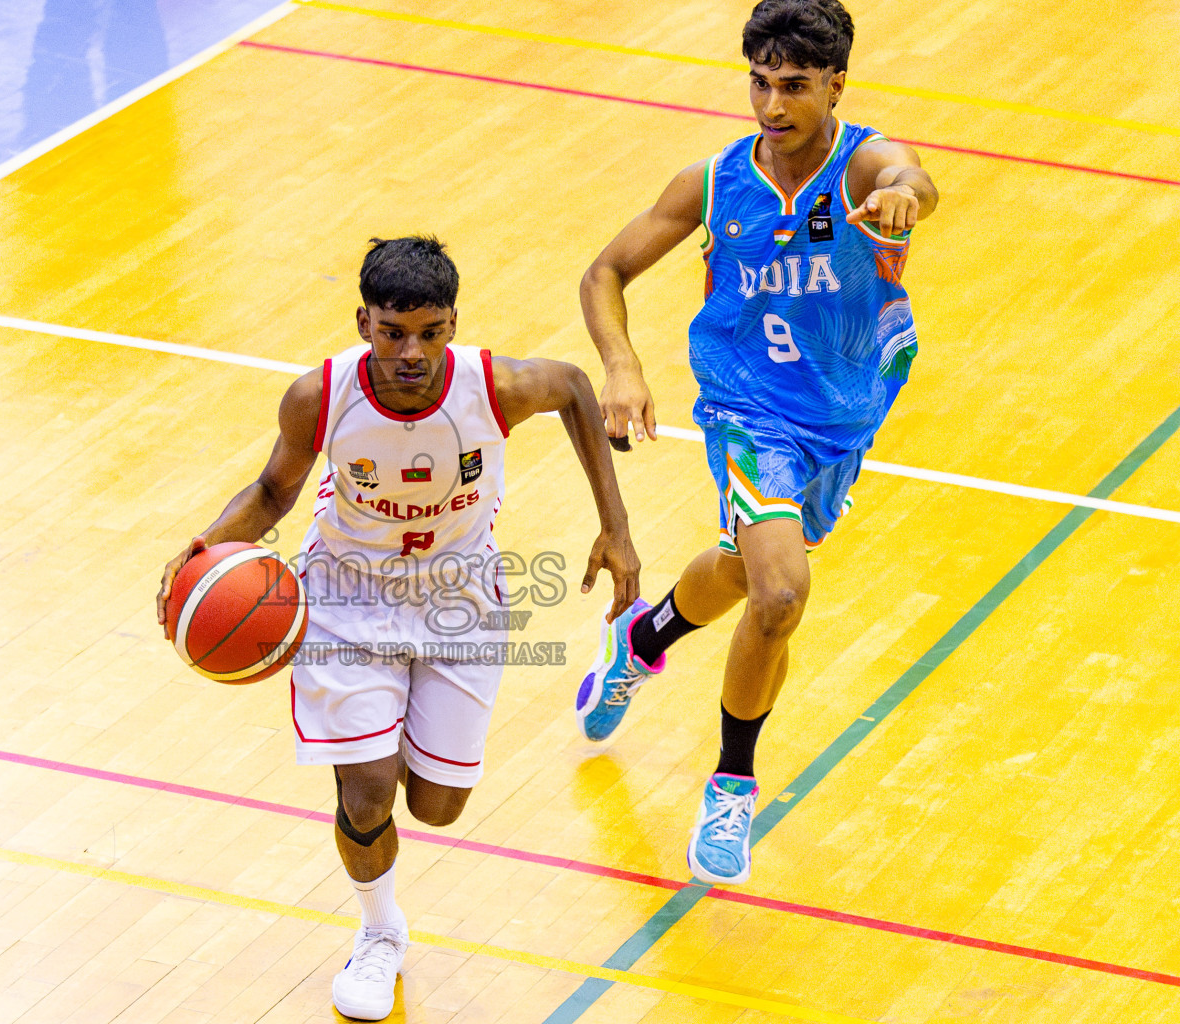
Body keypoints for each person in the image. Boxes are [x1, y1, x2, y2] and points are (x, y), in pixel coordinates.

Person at [158, 236, 639, 1020]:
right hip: (346, 596)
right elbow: (275, 490)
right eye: (392, 332)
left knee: (438, 805)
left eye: (430, 330)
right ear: (363, 323)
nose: (411, 351)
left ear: (453, 324)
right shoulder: (319, 396)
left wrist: (615, 530)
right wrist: (205, 550)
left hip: (460, 599)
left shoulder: (498, 386)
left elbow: (579, 388)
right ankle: (379, 931)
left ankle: (392, 800)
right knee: (370, 787)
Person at [573, 0, 939, 886]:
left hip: (843, 414)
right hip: (747, 410)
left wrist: (903, 197)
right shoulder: (713, 182)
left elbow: (913, 179)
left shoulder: (864, 169)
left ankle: (642, 638)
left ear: (837, 85)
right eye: (761, 83)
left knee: (745, 570)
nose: (773, 106)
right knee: (779, 595)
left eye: (795, 87)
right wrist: (622, 367)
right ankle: (732, 784)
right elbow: (605, 272)